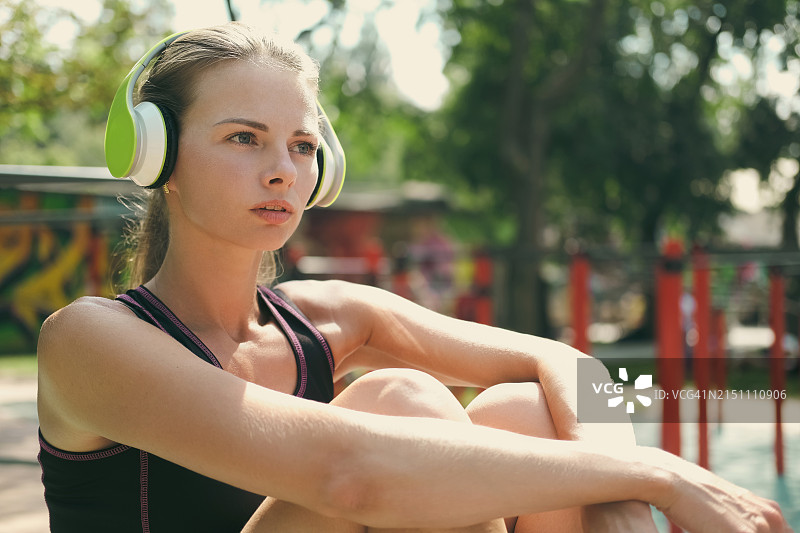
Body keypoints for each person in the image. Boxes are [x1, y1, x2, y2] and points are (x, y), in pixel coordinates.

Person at [36, 22, 790, 533]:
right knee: (401, 398)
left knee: (527, 410)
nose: (281, 170)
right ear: (157, 157)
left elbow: (562, 361)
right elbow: (348, 476)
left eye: (302, 145)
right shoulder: (89, 339)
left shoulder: (324, 317)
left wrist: (620, 491)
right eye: (244, 138)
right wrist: (659, 475)